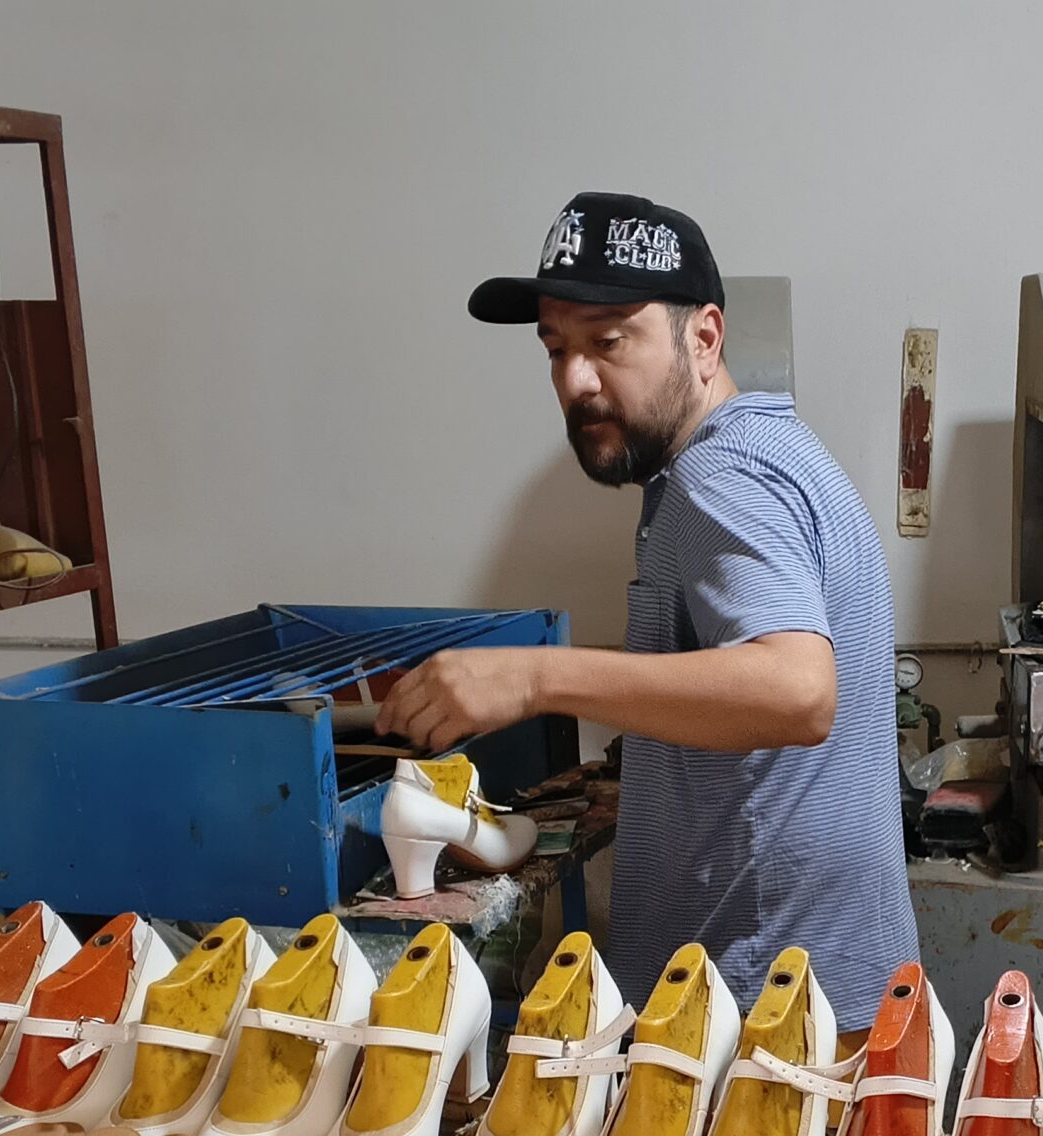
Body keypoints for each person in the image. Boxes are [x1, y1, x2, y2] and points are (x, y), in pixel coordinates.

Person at [379, 191, 918, 1037]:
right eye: (556, 348)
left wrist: (534, 678)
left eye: (609, 342)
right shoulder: (773, 451)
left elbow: (797, 691)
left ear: (704, 340)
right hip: (806, 991)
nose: (575, 380)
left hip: (758, 1018)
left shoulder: (720, 480)